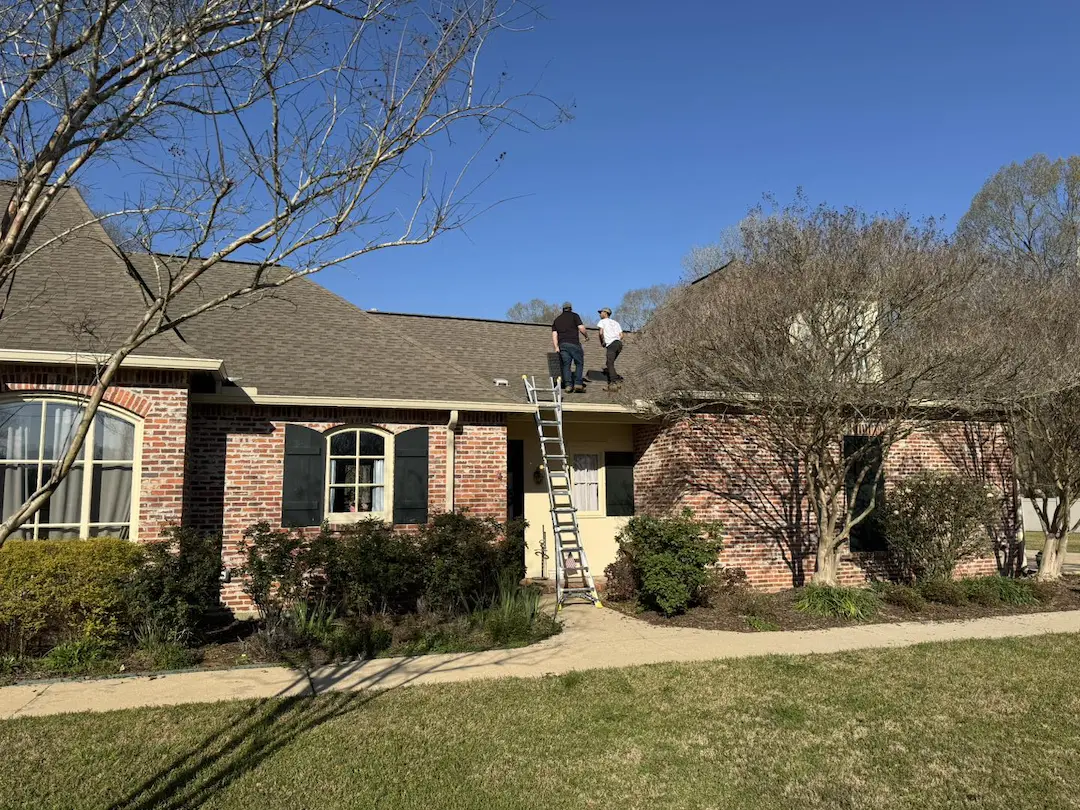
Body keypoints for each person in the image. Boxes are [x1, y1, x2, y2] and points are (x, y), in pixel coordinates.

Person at [551, 302, 588, 393]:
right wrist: (586, 336)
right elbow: (581, 328)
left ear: (563, 309)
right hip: (574, 343)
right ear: (571, 308)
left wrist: (556, 347)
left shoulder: (557, 320)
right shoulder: (575, 316)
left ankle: (568, 385)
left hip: (563, 345)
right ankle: (578, 384)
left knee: (566, 365)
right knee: (579, 363)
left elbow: (554, 335)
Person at [596, 307, 624, 386]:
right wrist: (616, 339)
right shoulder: (616, 323)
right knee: (609, 363)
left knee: (609, 363)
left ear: (605, 313)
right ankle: (615, 377)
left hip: (611, 344)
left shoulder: (602, 321)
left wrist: (602, 342)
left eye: (601, 312)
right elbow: (621, 335)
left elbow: (601, 333)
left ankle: (613, 382)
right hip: (619, 344)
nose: (600, 314)